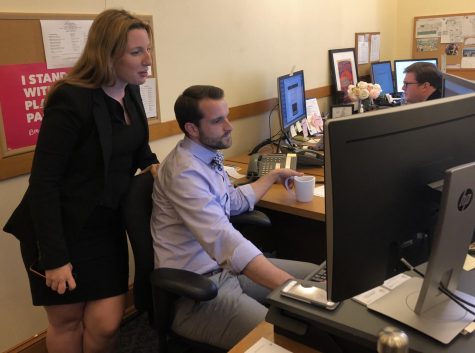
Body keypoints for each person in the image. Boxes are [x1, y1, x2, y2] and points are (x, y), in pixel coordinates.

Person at [3, 9, 158, 353]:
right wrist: (55, 258)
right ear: (107, 54)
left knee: (106, 324)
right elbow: (44, 182)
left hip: (105, 227)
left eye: (147, 49)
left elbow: (135, 148)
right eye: (136, 52)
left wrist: (153, 166)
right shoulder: (71, 100)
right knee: (67, 321)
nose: (148, 60)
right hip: (61, 230)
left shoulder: (130, 89)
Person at [150, 85, 319, 349]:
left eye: (227, 116)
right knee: (285, 339)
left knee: (318, 278)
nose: (229, 126)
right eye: (218, 121)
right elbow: (223, 239)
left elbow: (232, 201)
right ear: (192, 129)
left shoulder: (207, 155)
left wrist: (273, 176)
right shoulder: (184, 173)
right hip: (198, 293)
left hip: (228, 272)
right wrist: (288, 285)